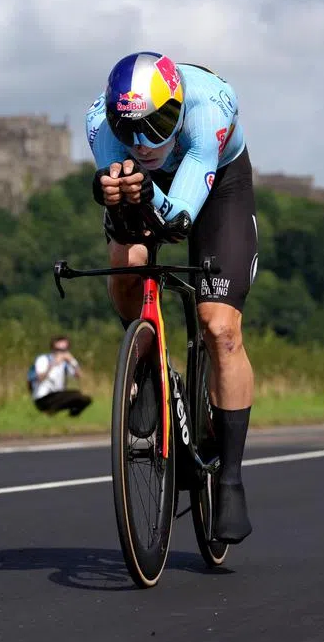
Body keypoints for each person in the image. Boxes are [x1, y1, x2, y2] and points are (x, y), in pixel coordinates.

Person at [85, 51, 258, 544]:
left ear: (178, 106)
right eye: (130, 129)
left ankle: (230, 478)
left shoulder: (209, 110)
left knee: (220, 329)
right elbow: (119, 194)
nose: (143, 144)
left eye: (158, 124)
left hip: (216, 184)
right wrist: (110, 190)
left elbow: (179, 218)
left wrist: (146, 196)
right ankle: (144, 362)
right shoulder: (100, 123)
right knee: (128, 259)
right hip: (150, 190)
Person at [29, 335, 92, 416]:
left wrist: (72, 362)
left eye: (64, 350)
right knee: (75, 395)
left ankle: (70, 416)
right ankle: (49, 411)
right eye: (59, 350)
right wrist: (53, 364)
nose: (62, 352)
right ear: (53, 349)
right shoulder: (43, 359)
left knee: (85, 399)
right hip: (43, 397)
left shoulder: (66, 363)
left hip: (58, 396)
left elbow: (79, 376)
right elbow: (40, 378)